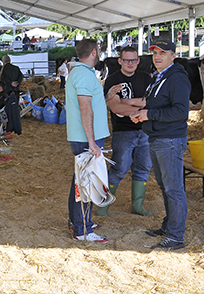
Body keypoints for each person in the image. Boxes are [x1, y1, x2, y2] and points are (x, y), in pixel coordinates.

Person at [130, 39, 190, 250]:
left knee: (173, 188)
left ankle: (175, 237)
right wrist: (143, 115)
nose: (157, 56)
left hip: (170, 139)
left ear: (173, 55)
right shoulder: (160, 76)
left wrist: (149, 114)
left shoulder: (177, 78)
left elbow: (181, 112)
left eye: (163, 53)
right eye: (154, 52)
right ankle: (169, 226)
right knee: (166, 187)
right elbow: (156, 104)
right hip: (158, 137)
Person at [95, 46, 152, 217]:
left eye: (133, 60)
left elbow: (150, 102)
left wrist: (129, 102)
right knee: (119, 168)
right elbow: (115, 106)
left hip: (145, 131)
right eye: (126, 60)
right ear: (120, 61)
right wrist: (140, 106)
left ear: (138, 61)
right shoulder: (113, 80)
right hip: (123, 132)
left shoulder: (146, 78)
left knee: (143, 168)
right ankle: (104, 205)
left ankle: (138, 205)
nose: (130, 63)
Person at [65, 38, 110, 243]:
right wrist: (92, 141)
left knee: (80, 178)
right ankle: (82, 228)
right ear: (93, 52)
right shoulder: (83, 74)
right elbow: (85, 108)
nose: (99, 53)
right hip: (86, 138)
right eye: (98, 50)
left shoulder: (81, 72)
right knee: (86, 181)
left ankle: (78, 221)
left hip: (84, 136)